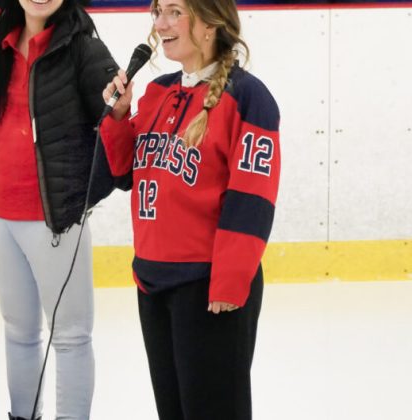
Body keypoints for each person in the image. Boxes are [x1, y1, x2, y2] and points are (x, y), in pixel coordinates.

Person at [100, 0, 280, 418]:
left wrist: (230, 281)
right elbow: (128, 173)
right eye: (157, 12)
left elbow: (253, 195)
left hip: (209, 288)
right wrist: (119, 117)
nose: (160, 24)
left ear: (210, 23)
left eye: (174, 12)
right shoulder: (159, 91)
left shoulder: (248, 97)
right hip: (152, 280)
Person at [0, 0, 122, 419]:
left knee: (70, 336)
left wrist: (120, 106)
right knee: (19, 331)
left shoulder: (85, 50)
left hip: (55, 219)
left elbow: (113, 127)